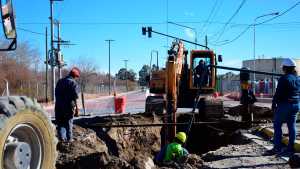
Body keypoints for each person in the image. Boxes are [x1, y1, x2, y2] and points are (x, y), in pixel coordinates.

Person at [270, 58, 300, 156]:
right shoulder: (298, 79)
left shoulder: (284, 78)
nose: (282, 69)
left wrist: (274, 104)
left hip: (285, 105)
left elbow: (278, 93)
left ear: (286, 68)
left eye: (283, 67)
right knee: (292, 126)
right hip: (296, 105)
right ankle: (290, 148)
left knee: (277, 125)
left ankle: (277, 148)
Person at [55, 67, 80, 142]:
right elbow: (75, 97)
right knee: (69, 123)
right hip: (68, 106)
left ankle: (61, 139)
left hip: (58, 106)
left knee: (60, 123)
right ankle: (69, 139)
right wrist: (77, 109)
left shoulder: (60, 81)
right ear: (74, 76)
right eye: (76, 77)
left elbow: (56, 93)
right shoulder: (73, 83)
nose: (76, 79)